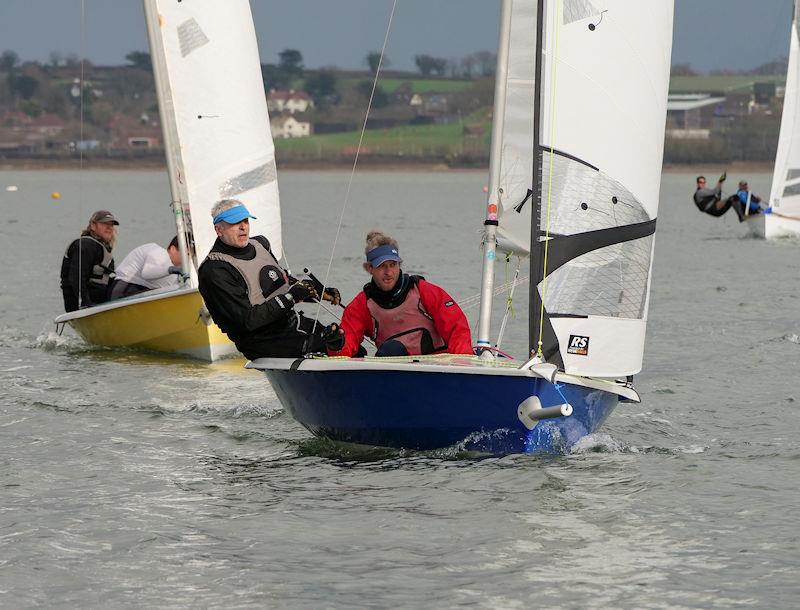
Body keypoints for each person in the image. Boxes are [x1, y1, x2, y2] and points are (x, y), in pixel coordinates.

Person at [198, 199, 340, 359]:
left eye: (245, 221)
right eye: (235, 223)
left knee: (344, 341)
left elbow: (280, 283)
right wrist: (291, 297)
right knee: (327, 346)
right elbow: (247, 320)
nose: (243, 227)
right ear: (219, 230)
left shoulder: (260, 244)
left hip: (291, 325)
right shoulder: (215, 270)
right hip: (261, 342)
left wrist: (318, 291)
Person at [323, 230, 473, 358]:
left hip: (435, 369)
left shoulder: (423, 291)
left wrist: (463, 365)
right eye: (382, 266)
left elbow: (457, 329)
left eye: (393, 265)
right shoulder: (362, 305)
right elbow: (345, 347)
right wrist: (337, 344)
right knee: (391, 349)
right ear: (369, 268)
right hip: (395, 374)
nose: (389, 272)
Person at [60, 210, 118, 312]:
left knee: (128, 283)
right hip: (85, 305)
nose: (109, 227)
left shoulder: (101, 247)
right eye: (105, 224)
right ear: (93, 226)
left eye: (111, 225)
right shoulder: (86, 245)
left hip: (98, 300)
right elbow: (76, 278)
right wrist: (85, 304)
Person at [109, 236, 186, 300]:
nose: (188, 259)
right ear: (173, 249)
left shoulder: (174, 274)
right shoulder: (159, 252)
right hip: (123, 290)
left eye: (191, 256)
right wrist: (171, 269)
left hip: (140, 292)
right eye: (187, 254)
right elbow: (146, 273)